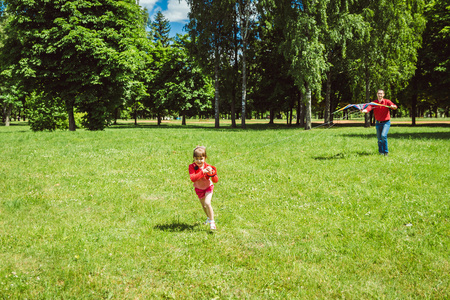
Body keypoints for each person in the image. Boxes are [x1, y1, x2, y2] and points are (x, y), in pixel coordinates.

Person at [189, 146, 219, 230]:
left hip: (208, 187)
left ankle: (212, 222)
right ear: (193, 158)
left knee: (207, 203)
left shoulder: (208, 166)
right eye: (196, 158)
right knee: (204, 206)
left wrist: (212, 173)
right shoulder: (191, 167)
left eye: (201, 158)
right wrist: (202, 172)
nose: (199, 161)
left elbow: (215, 180)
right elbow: (193, 178)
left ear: (205, 158)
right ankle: (208, 218)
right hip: (199, 189)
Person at [361, 89, 398, 156]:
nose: (380, 95)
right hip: (378, 123)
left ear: (383, 95)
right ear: (377, 94)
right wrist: (364, 110)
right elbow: (368, 108)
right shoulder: (374, 103)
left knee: (383, 136)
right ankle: (381, 152)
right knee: (379, 139)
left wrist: (393, 106)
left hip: (386, 123)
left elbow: (394, 106)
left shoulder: (387, 101)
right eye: (378, 93)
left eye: (381, 94)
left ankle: (386, 152)